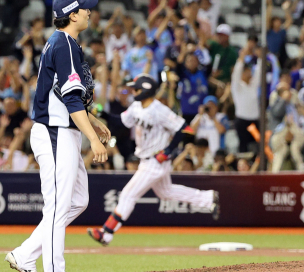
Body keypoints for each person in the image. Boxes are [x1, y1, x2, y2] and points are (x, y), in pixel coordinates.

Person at [5, 0, 109, 272]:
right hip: (54, 132)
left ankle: (25, 255)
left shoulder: (65, 43)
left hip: (64, 130)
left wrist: (91, 121)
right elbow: (71, 96)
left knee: (77, 200)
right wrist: (92, 137)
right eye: (85, 9)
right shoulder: (63, 43)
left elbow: (64, 93)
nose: (89, 12)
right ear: (72, 15)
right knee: (56, 205)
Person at [88, 74, 220, 247]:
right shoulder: (136, 106)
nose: (133, 91)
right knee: (166, 192)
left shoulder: (159, 109)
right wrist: (99, 112)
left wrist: (168, 150)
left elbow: (184, 128)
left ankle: (106, 233)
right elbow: (119, 122)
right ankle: (208, 198)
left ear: (146, 90)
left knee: (128, 194)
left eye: (136, 89)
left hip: (155, 162)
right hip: (146, 159)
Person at [231, 49, 262, 153]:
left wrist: (260, 58)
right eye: (246, 72)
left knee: (258, 146)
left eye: (250, 72)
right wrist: (241, 59)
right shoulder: (237, 87)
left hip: (254, 121)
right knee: (243, 147)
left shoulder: (253, 86)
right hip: (242, 121)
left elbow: (259, 74)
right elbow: (235, 75)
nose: (249, 74)